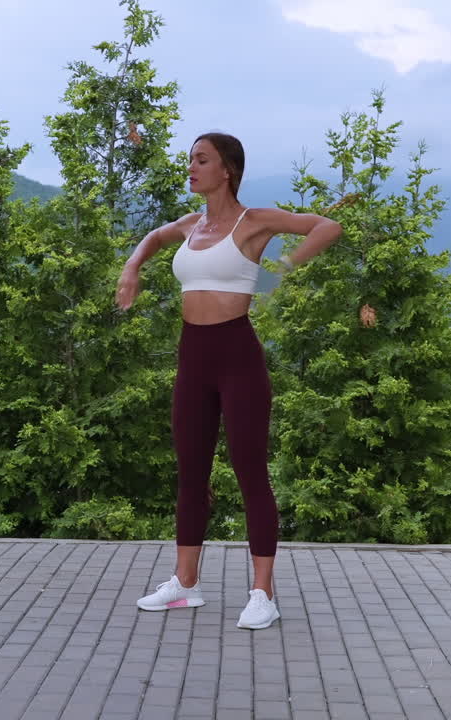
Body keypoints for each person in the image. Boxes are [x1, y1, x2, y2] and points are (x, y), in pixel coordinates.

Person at [115, 132, 343, 630]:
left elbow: (328, 225)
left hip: (237, 357)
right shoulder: (189, 224)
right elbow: (152, 238)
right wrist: (132, 267)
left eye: (201, 160)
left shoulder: (253, 221)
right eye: (190, 159)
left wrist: (285, 265)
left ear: (227, 170)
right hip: (192, 358)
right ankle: (185, 583)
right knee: (191, 474)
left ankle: (263, 593)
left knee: (250, 472)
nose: (191, 167)